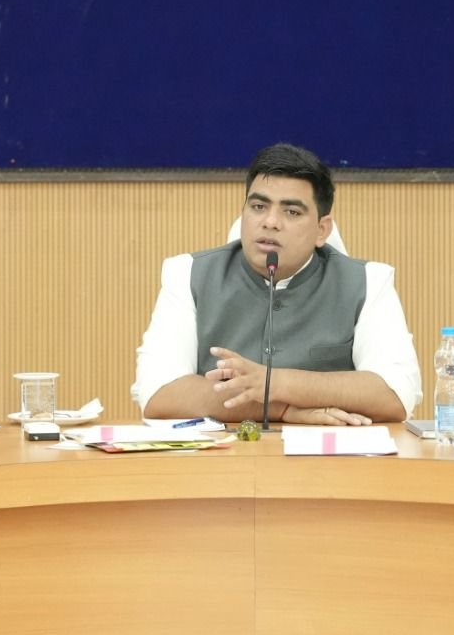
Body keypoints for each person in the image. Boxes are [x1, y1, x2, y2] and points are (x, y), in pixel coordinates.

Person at [133, 143, 421, 425]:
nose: (270, 222)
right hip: (224, 454)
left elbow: (396, 394)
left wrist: (276, 382)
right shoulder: (187, 274)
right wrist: (281, 409)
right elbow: (159, 394)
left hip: (329, 454)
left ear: (322, 230)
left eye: (292, 212)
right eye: (258, 206)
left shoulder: (369, 282)